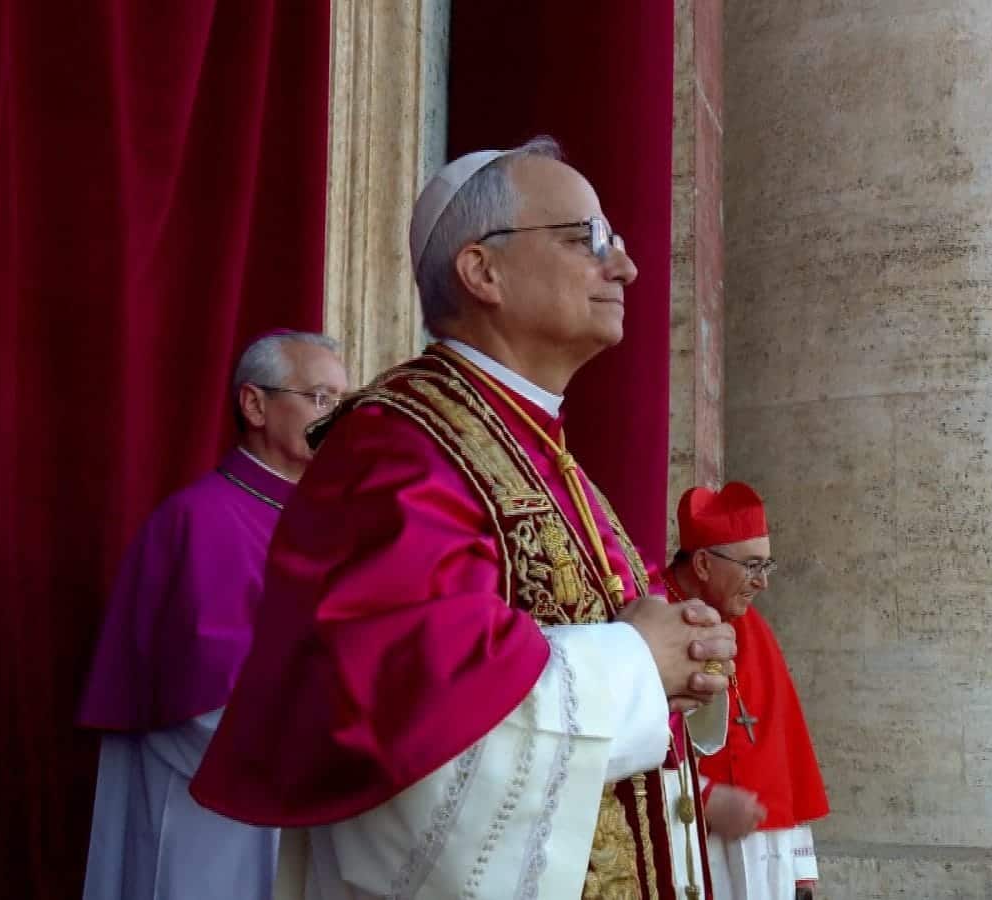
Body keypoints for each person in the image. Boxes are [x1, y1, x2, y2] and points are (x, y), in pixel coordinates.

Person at [189, 138, 735, 899]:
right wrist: (637, 664)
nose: (624, 267)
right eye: (589, 239)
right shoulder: (396, 447)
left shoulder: (544, 450)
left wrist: (683, 661)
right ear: (482, 271)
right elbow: (414, 713)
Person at [76, 330, 349, 900]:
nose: (337, 418)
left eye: (343, 403)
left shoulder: (323, 519)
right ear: (254, 404)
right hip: (215, 805)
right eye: (321, 399)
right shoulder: (204, 520)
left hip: (303, 795)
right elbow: (203, 694)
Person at [660, 483, 830, 900]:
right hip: (687, 845)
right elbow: (629, 741)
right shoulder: (653, 620)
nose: (763, 582)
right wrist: (703, 801)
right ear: (702, 562)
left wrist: (801, 868)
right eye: (752, 566)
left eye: (766, 565)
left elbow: (785, 748)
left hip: (767, 857)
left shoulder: (756, 630)